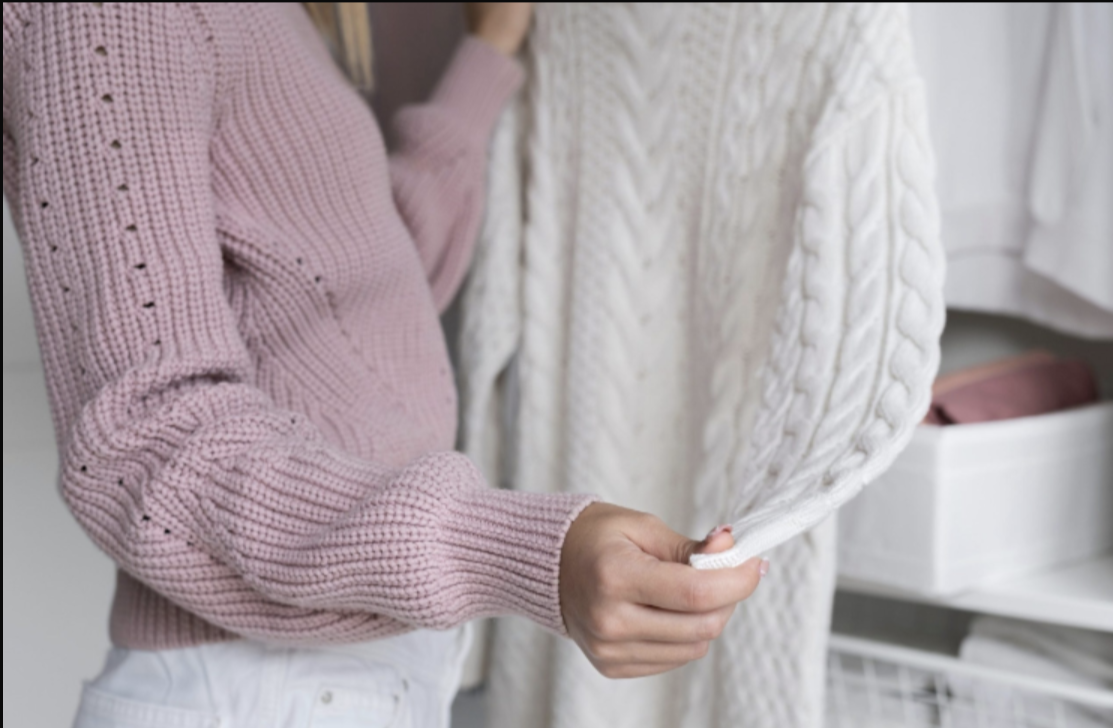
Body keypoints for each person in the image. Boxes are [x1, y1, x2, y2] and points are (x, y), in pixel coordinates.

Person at [1, 3, 766, 726]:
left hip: (323, 682)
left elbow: (355, 291)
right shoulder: (114, 14)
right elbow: (144, 441)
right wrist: (523, 550)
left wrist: (489, 49)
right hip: (259, 691)